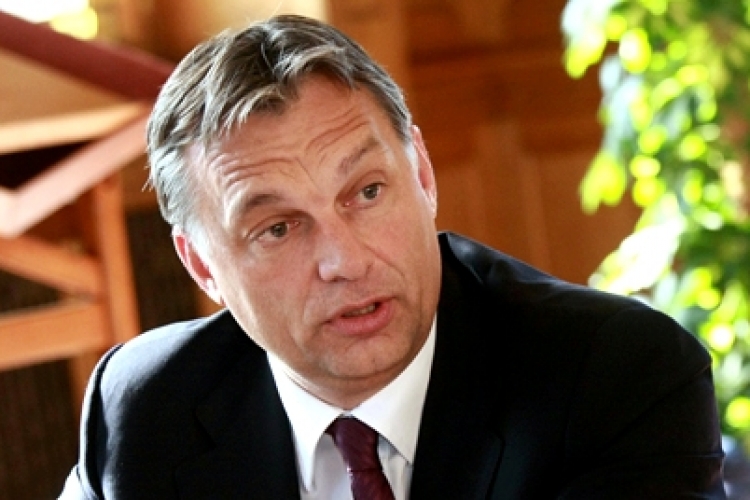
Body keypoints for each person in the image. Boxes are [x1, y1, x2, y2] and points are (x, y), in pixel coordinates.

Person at [60, 14, 726, 499]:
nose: (344, 261)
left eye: (368, 192)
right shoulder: (146, 409)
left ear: (423, 175)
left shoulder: (617, 378)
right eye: (279, 229)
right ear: (203, 267)